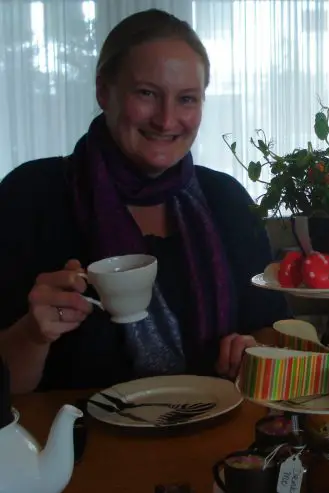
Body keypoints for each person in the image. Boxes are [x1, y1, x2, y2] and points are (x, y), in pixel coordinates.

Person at [0, 9, 291, 393]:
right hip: (82, 447)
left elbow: (270, 329)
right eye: (147, 94)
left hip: (219, 439)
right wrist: (33, 335)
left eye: (187, 99)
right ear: (104, 91)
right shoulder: (31, 194)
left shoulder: (226, 200)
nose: (167, 120)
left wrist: (252, 350)